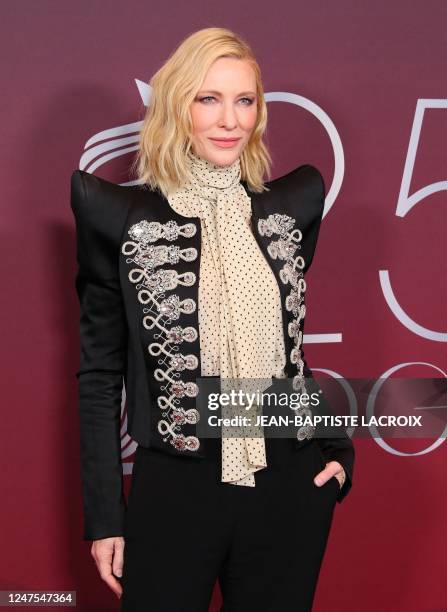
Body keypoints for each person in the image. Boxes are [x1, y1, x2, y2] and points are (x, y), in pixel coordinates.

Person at [70, 27, 355, 612]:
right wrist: (104, 516)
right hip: (176, 488)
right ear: (178, 106)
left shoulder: (294, 203)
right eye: (209, 99)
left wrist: (333, 451)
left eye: (244, 101)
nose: (230, 120)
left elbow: (291, 352)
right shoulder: (116, 214)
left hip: (287, 485)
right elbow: (99, 377)